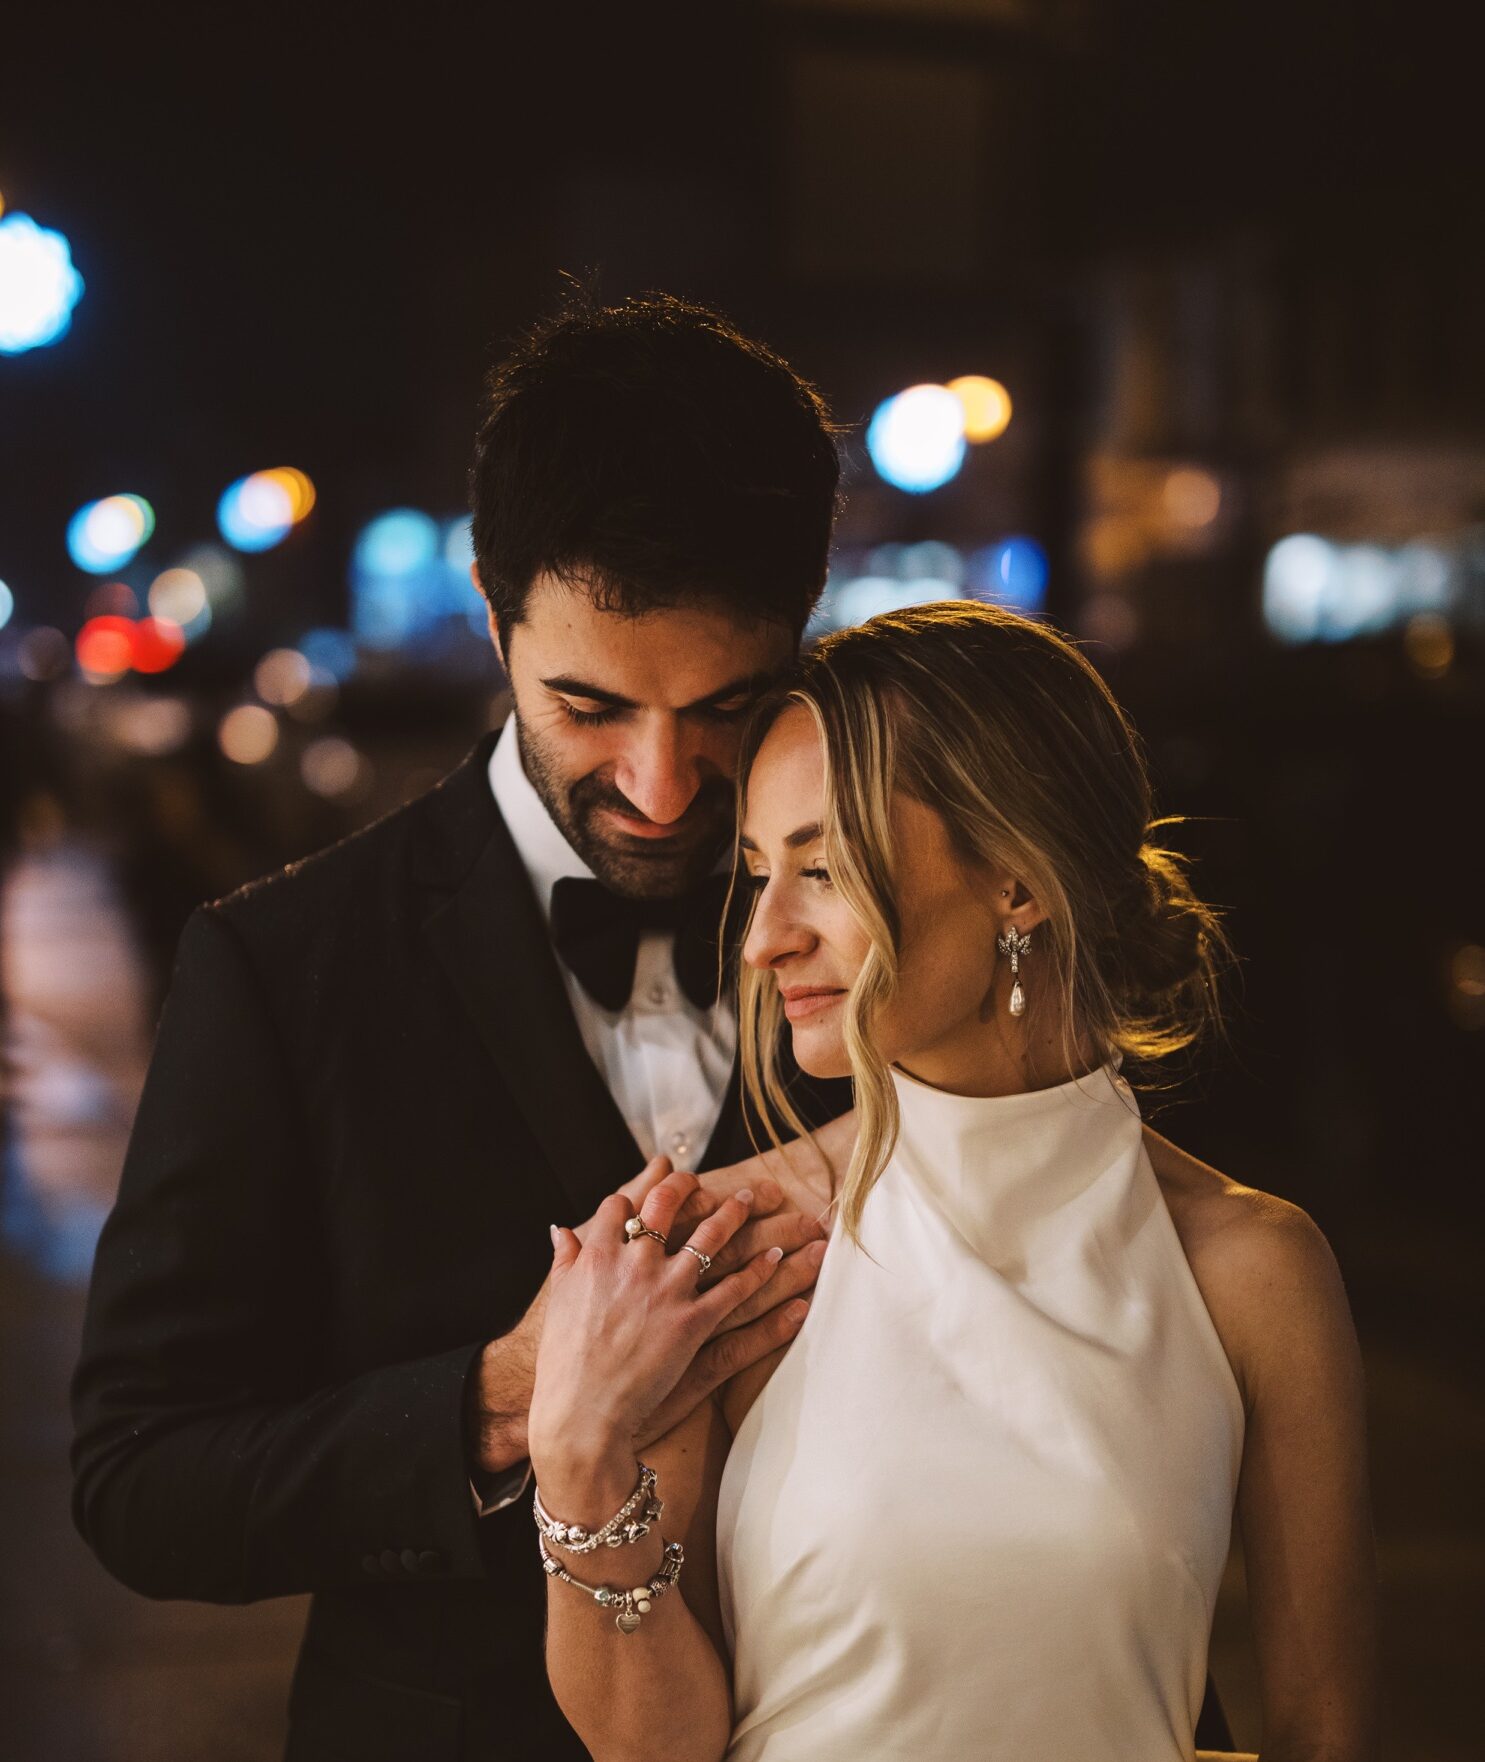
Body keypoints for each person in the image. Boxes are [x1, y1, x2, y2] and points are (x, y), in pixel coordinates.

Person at [69, 290, 854, 1760]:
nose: (664, 785)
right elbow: (140, 1478)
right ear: (493, 613)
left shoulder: (897, 921)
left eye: (724, 708)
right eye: (591, 707)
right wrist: (511, 1394)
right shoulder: (281, 967)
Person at [526, 601, 1377, 1761]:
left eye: (822, 867)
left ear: (1017, 883)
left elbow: (1328, 1734)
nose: (764, 937)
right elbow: (650, 1749)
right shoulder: (731, 1245)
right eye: (760, 872)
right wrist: (577, 1457)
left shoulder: (1254, 1271)